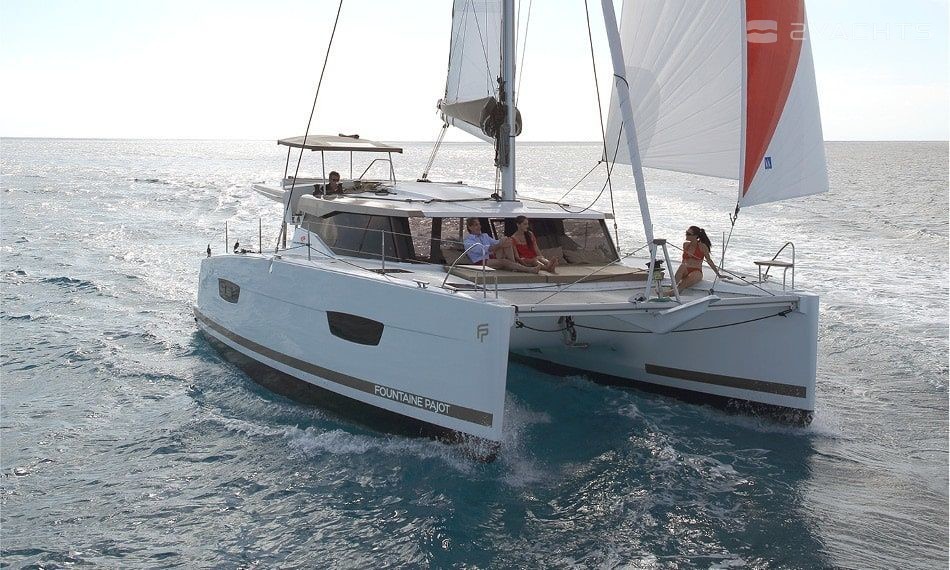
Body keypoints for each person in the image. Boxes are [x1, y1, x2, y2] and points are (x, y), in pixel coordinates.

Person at [462, 217, 539, 273]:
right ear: (470, 227)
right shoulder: (468, 241)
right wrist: (501, 244)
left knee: (506, 240)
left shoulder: (484, 235)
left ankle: (514, 265)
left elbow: (496, 242)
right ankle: (528, 269)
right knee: (504, 261)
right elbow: (485, 249)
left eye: (479, 224)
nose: (479, 227)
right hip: (480, 261)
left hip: (491, 257)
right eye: (476, 225)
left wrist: (505, 240)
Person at [670, 225, 727, 294]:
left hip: (696, 271)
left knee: (682, 284)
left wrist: (718, 274)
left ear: (695, 236)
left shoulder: (702, 246)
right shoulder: (685, 245)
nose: (686, 235)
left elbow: (709, 261)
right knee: (682, 266)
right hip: (685, 270)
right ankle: (671, 288)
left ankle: (669, 293)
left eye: (688, 234)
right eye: (686, 233)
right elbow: (683, 261)